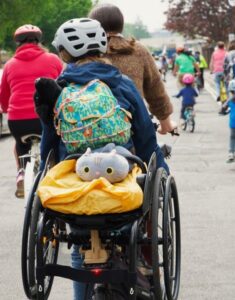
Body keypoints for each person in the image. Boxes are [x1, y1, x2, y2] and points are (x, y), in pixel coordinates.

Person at [34, 17, 171, 300]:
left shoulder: (57, 90)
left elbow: (49, 143)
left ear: (63, 54)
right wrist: (161, 171)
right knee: (125, 231)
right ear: (102, 47)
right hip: (120, 182)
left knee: (79, 245)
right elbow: (146, 137)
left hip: (74, 187)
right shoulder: (121, 84)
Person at [88, 3, 176, 135]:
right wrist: (166, 124)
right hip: (132, 127)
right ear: (121, 24)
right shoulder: (137, 50)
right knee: (154, 154)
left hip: (89, 128)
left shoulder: (86, 51)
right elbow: (155, 89)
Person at [0, 24, 63, 198]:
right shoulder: (53, 59)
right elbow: (62, 87)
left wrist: (7, 109)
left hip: (18, 120)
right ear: (39, 42)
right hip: (46, 116)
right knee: (55, 145)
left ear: (18, 44)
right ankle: (56, 175)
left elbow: (3, 95)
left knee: (20, 144)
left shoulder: (10, 65)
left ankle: (21, 172)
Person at [222, 80, 235, 163]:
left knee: (232, 137)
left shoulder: (230, 100)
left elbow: (223, 108)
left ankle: (231, 153)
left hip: (233, 123)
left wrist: (224, 112)